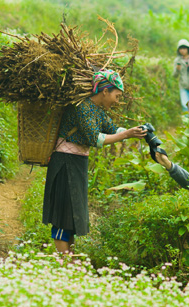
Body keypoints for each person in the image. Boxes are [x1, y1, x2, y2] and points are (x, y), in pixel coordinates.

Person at [42, 70, 147, 254]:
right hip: (65, 163)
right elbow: (95, 139)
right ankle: (64, 262)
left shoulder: (97, 111)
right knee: (62, 216)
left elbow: (112, 129)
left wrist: (133, 131)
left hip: (77, 164)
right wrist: (126, 134)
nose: (117, 101)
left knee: (71, 217)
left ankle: (69, 262)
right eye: (117, 96)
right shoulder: (81, 107)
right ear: (105, 91)